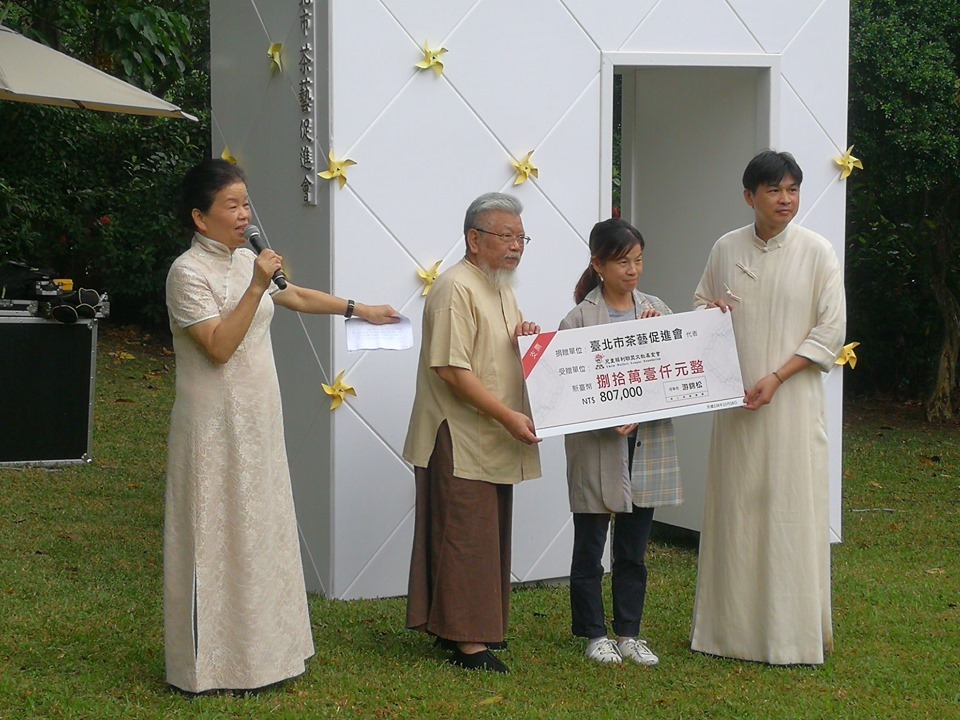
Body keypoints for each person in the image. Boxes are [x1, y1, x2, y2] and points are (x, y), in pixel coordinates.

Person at [163, 158, 399, 693]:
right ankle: (210, 665)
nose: (246, 214)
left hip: (259, 417)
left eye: (247, 203)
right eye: (233, 205)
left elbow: (292, 295)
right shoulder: (187, 273)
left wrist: (358, 309)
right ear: (201, 218)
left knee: (259, 530)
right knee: (215, 531)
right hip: (212, 426)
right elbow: (220, 347)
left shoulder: (249, 259)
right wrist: (254, 285)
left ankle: (267, 656)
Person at [689, 150, 846, 665]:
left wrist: (777, 377)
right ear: (749, 196)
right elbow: (700, 305)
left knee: (789, 512)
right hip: (737, 406)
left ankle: (793, 636)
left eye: (793, 190)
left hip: (791, 404)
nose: (786, 199)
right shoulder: (725, 247)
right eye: (775, 190)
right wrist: (709, 314)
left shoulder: (818, 251)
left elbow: (830, 331)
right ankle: (726, 633)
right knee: (737, 512)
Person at [403, 192, 542, 674]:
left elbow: (492, 352)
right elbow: (452, 371)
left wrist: (525, 334)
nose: (516, 247)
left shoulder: (499, 286)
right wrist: (508, 417)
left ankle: (466, 627)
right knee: (463, 533)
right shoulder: (453, 288)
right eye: (506, 236)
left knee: (485, 533)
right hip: (459, 434)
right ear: (473, 238)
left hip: (491, 433)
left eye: (521, 237)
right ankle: (467, 642)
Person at [560, 218, 682, 666]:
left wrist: (657, 335)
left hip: (644, 441)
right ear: (598, 264)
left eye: (638, 260)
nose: (633, 270)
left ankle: (629, 632)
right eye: (622, 261)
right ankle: (594, 634)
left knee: (633, 547)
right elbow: (568, 391)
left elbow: (681, 374)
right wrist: (605, 419)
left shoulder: (656, 310)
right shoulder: (577, 319)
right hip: (597, 444)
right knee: (590, 543)